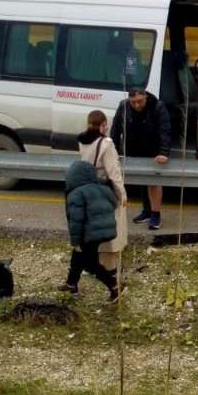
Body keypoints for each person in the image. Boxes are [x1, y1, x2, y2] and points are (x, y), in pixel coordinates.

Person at [60, 158, 121, 302]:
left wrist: (76, 241)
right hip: (106, 230)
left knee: (90, 263)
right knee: (78, 256)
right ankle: (71, 284)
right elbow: (113, 204)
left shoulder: (76, 194)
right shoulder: (103, 188)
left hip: (89, 233)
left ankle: (115, 287)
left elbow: (76, 221)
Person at [111, 87, 170, 230]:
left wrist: (163, 152)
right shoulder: (124, 106)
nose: (137, 105)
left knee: (153, 182)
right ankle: (147, 211)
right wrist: (112, 151)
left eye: (140, 101)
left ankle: (155, 214)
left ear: (146, 98)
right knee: (142, 181)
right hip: (134, 148)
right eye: (133, 102)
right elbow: (115, 129)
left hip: (153, 150)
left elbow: (165, 130)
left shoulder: (157, 107)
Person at [77, 110, 127, 273]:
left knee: (91, 226)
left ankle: (90, 263)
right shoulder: (106, 143)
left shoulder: (82, 141)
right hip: (105, 190)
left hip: (86, 187)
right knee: (110, 229)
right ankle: (108, 267)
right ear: (104, 124)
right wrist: (122, 194)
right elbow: (114, 173)